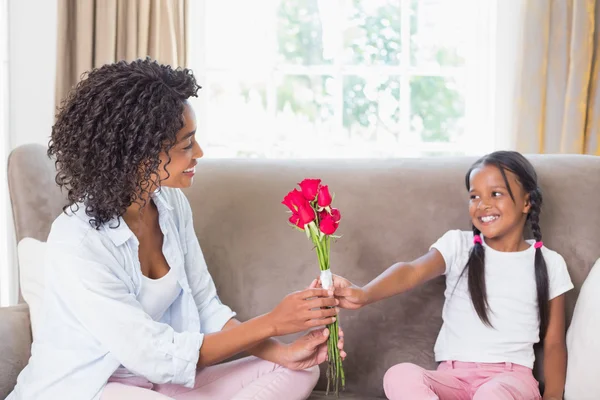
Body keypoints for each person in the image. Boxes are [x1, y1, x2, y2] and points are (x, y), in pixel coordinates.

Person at [8, 58, 345, 400]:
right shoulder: (77, 241)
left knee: (298, 370)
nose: (199, 153)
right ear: (139, 154)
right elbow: (154, 356)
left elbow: (205, 306)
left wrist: (283, 352)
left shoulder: (170, 205)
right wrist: (273, 321)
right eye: (186, 145)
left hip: (158, 386)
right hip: (86, 389)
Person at [329, 151, 572, 400]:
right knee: (399, 375)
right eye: (474, 196)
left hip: (510, 380)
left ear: (526, 202)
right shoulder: (458, 245)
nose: (482, 204)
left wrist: (553, 395)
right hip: (452, 378)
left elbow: (554, 343)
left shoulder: (549, 262)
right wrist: (364, 293)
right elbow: (411, 271)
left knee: (491, 394)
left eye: (495, 193)